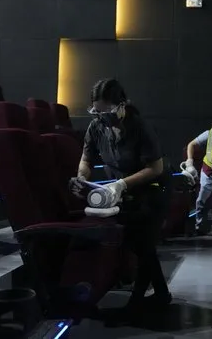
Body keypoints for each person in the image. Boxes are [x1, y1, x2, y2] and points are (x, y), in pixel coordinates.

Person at [69, 78, 172, 308]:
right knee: (137, 243)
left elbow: (155, 168)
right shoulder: (96, 127)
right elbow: (86, 160)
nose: (102, 118)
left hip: (154, 188)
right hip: (125, 192)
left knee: (143, 241)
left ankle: (139, 299)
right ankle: (160, 294)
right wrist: (82, 179)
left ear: (122, 105)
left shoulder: (139, 126)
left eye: (108, 112)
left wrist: (121, 184)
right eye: (97, 112)